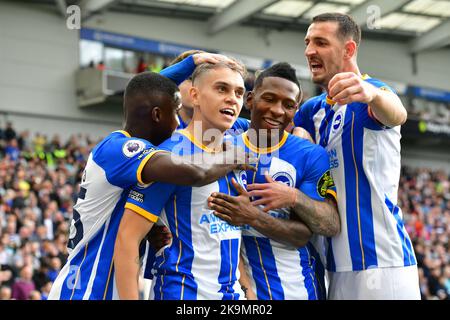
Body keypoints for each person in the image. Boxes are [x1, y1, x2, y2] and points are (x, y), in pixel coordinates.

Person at [48, 54, 252, 300]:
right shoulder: (123, 149)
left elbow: (143, 91)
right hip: (85, 289)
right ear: (157, 114)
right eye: (175, 112)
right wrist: (234, 157)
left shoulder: (151, 143)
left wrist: (191, 63)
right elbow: (197, 172)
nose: (178, 120)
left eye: (239, 93)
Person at [291, 13, 418, 299]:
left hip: (382, 264)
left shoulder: (370, 95)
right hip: (333, 267)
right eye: (308, 42)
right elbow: (270, 132)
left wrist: (371, 94)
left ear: (348, 50)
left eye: (321, 42)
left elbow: (397, 113)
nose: (310, 50)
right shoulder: (313, 110)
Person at [114, 58, 249, 300]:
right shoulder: (168, 157)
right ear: (194, 96)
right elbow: (127, 238)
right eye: (222, 89)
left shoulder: (238, 152)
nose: (232, 98)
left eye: (239, 92)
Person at [207, 62, 339, 300]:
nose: (278, 110)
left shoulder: (309, 155)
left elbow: (307, 233)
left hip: (296, 290)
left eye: (288, 105)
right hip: (236, 292)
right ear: (250, 99)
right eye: (269, 99)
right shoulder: (221, 148)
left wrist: (258, 214)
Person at [167, 50, 251, 135]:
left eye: (238, 93)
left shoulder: (236, 125)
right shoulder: (163, 124)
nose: (195, 85)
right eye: (191, 79)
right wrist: (191, 61)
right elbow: (155, 85)